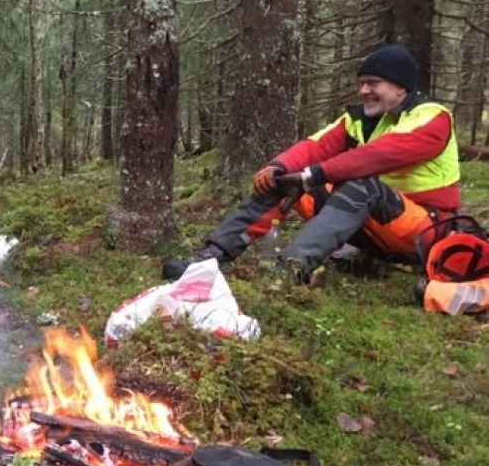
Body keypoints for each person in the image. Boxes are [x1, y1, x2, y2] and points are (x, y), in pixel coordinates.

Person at [163, 44, 460, 285]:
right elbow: (317, 145)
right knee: (283, 181)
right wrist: (279, 167)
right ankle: (212, 257)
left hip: (423, 230)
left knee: (360, 185)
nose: (363, 91)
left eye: (373, 83)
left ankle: (291, 269)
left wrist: (314, 175)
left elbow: (380, 155)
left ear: (400, 88)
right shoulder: (359, 120)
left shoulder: (432, 117)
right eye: (361, 83)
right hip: (373, 227)